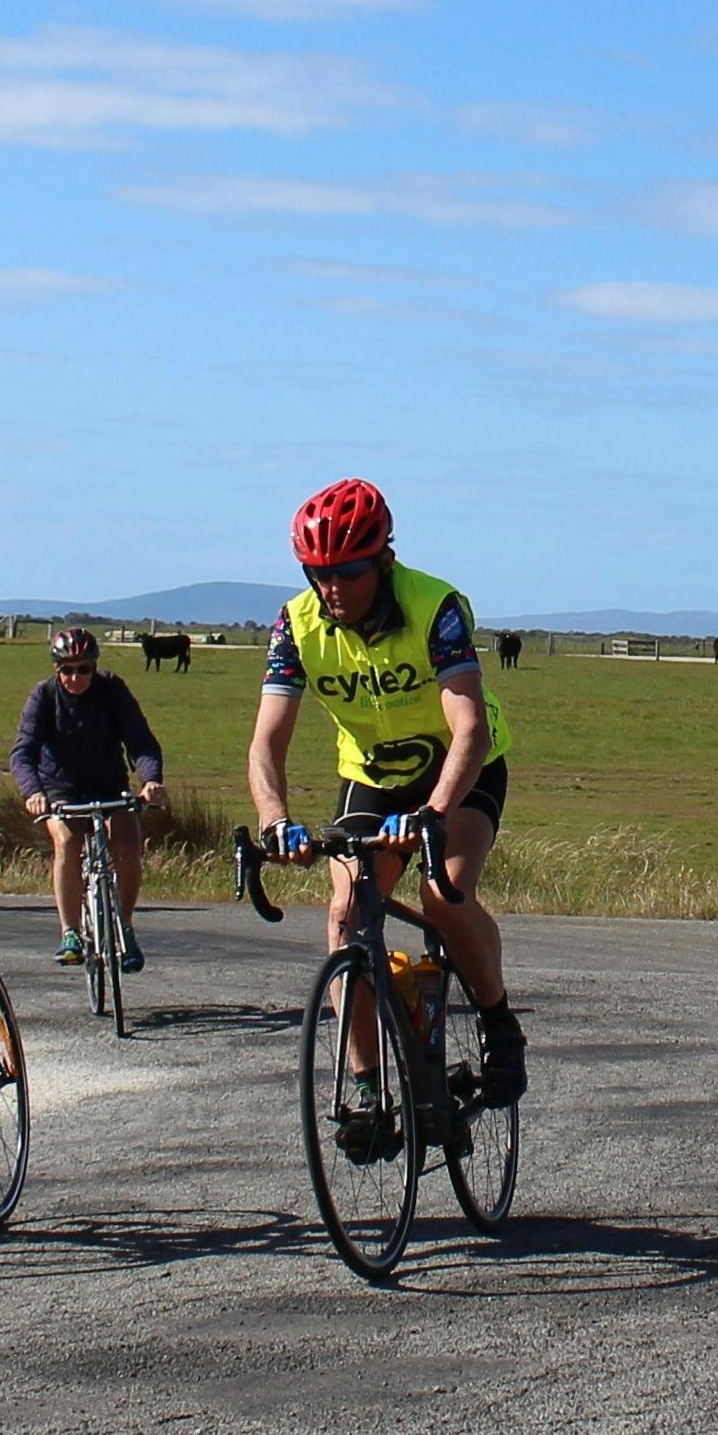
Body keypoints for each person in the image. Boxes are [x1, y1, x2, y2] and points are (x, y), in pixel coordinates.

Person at [243, 477, 525, 1126]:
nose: (332, 587)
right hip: (370, 772)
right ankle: (367, 1088)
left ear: (383, 561)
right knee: (346, 910)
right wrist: (274, 818)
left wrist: (432, 812)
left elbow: (470, 728)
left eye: (347, 570)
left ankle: (497, 1020)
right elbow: (266, 740)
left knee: (442, 890)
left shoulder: (435, 606)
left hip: (459, 768)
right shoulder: (297, 622)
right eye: (318, 572)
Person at [12, 625, 168, 972]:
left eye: (83, 668)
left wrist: (151, 780)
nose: (75, 677)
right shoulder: (44, 696)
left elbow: (141, 741)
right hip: (60, 790)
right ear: (57, 670)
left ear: (94, 667)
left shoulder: (112, 690)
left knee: (128, 848)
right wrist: (33, 792)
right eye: (67, 669)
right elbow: (22, 753)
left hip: (109, 785)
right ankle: (69, 932)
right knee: (67, 842)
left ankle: (124, 928)